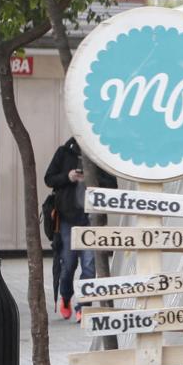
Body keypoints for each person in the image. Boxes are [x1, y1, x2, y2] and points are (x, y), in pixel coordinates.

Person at [43, 137, 115, 321]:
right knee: (68, 264)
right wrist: (68, 177)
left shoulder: (100, 156)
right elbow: (49, 178)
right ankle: (66, 297)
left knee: (90, 266)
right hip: (67, 219)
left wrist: (92, 179)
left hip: (91, 219)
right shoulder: (64, 152)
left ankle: (83, 306)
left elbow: (112, 186)